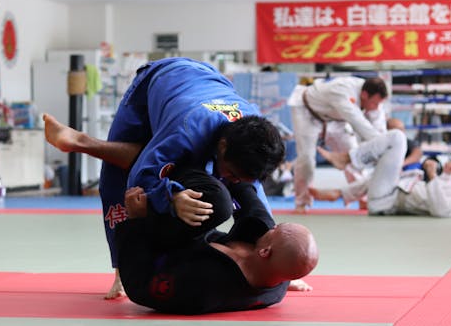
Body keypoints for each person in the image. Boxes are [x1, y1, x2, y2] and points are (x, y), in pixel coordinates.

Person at [44, 57, 285, 299]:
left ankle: (84, 142)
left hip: (209, 79)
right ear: (222, 146)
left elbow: (255, 196)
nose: (230, 179)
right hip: (157, 80)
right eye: (231, 172)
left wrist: (275, 264)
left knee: (221, 179)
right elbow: (142, 175)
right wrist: (172, 197)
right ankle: (82, 142)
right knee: (120, 175)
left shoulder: (255, 136)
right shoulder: (186, 130)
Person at [117, 167, 318, 314]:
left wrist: (136, 221)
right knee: (240, 204)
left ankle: (182, 164)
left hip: (164, 253)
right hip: (202, 241)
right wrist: (234, 166)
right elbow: (253, 203)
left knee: (219, 202)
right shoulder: (276, 278)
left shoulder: (203, 289)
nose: (272, 227)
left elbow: (138, 287)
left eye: (275, 231)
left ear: (265, 252)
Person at [311, 130, 451, 217]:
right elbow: (438, 191)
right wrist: (444, 174)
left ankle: (348, 160)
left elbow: (442, 210)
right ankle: (341, 193)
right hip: (389, 192)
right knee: (394, 167)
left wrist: (432, 175)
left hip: (385, 202)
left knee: (397, 137)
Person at [288, 75, 388, 213]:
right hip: (308, 112)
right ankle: (301, 202)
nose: (376, 107)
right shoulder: (342, 90)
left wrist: (385, 146)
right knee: (306, 158)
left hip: (336, 120)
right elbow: (359, 123)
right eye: (375, 104)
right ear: (364, 95)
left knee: (354, 155)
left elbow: (379, 128)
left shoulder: (374, 99)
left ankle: (363, 198)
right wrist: (384, 145)